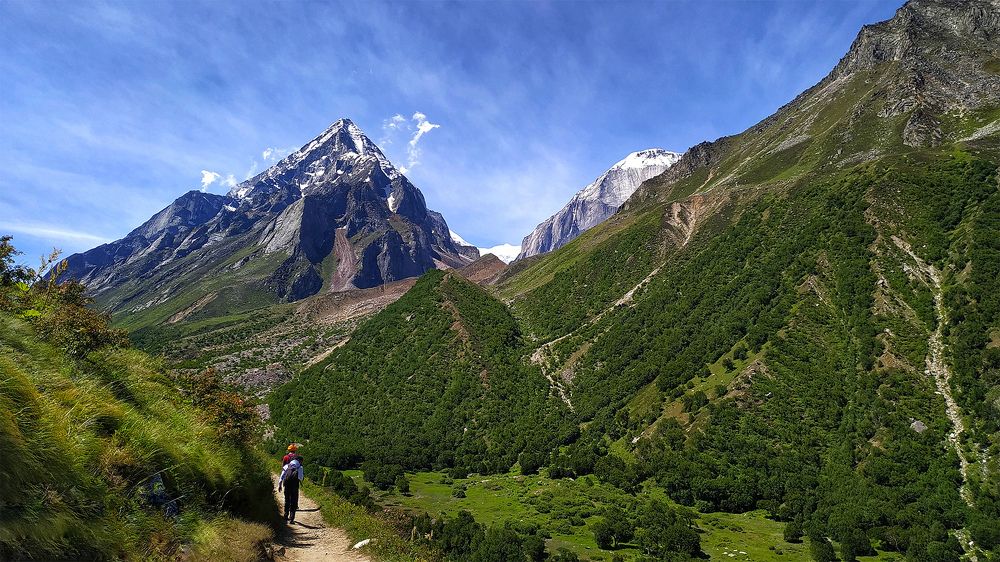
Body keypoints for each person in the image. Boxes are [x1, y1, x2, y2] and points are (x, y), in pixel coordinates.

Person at [277, 457, 304, 523]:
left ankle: (285, 516)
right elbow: (300, 478)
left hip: (287, 486)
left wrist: (280, 485)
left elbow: (282, 476)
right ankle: (291, 519)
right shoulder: (300, 467)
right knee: (293, 502)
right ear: (299, 461)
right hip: (295, 487)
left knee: (287, 501)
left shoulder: (287, 466)